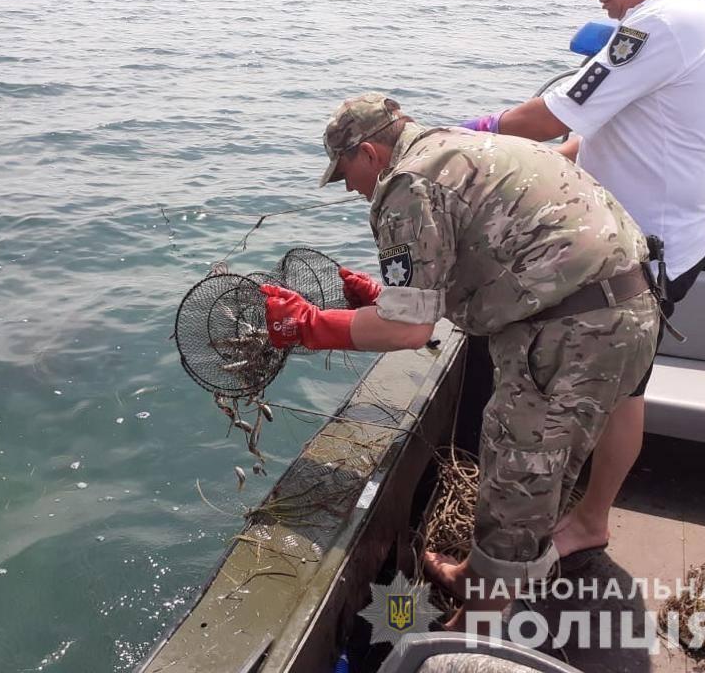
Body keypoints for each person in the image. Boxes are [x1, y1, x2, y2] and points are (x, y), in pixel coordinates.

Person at [260, 93, 659, 630]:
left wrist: (308, 326)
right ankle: (479, 580)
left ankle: (480, 631)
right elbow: (494, 255)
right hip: (627, 309)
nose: (351, 188)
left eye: (347, 172)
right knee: (544, 470)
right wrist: (385, 294)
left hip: (572, 331)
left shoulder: (406, 184)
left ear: (371, 152)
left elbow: (408, 329)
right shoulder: (462, 146)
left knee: (519, 477)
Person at [461, 0, 705, 560]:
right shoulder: (673, 20)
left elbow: (556, 112)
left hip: (647, 255)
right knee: (624, 394)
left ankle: (578, 523)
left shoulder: (659, 24)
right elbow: (604, 128)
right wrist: (552, 162)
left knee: (605, 396)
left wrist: (473, 134)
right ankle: (588, 515)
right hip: (649, 244)